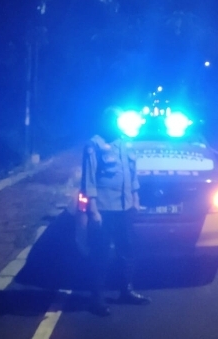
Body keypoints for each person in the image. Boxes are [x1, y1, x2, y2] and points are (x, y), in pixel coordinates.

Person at [80, 107, 151, 316]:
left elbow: (132, 175)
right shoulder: (94, 144)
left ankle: (126, 291)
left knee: (127, 250)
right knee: (101, 253)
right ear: (108, 121)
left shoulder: (125, 143)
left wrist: (135, 199)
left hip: (125, 207)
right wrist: (93, 210)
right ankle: (96, 299)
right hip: (104, 208)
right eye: (116, 120)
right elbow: (88, 180)